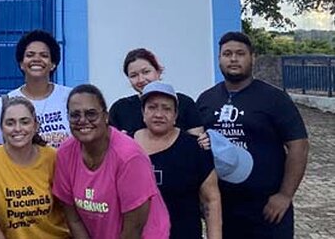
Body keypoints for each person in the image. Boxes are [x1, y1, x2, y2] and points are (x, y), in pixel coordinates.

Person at [197, 32, 309, 238]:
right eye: (227, 53)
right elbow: (197, 148)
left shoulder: (274, 99)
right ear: (219, 59)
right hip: (224, 208)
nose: (233, 58)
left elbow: (298, 146)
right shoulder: (207, 100)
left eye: (240, 53)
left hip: (267, 208)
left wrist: (284, 195)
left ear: (252, 58)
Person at [53, 84, 170, 239]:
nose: (83, 120)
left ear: (106, 116)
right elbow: (73, 219)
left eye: (91, 114)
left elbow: (134, 228)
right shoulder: (65, 154)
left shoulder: (129, 157)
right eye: (75, 115)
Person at [134, 82, 222, 239]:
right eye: (152, 107)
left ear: (175, 115)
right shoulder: (127, 147)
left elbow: (211, 200)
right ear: (143, 112)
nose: (159, 114)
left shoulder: (195, 148)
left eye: (166, 109)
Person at [0, 96, 70, 239]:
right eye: (10, 123)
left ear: (35, 126)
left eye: (24, 122)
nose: (18, 129)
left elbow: (68, 208)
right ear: (1, 128)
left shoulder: (53, 158)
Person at [0, 30, 72, 148]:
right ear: (21, 63)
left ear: (53, 64)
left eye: (44, 55)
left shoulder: (69, 97)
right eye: (30, 55)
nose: (36, 59)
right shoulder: (5, 102)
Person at [109, 48, 204, 137]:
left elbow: (197, 141)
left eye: (146, 72)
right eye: (133, 75)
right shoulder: (120, 108)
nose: (141, 79)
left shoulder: (185, 103)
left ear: (158, 71)